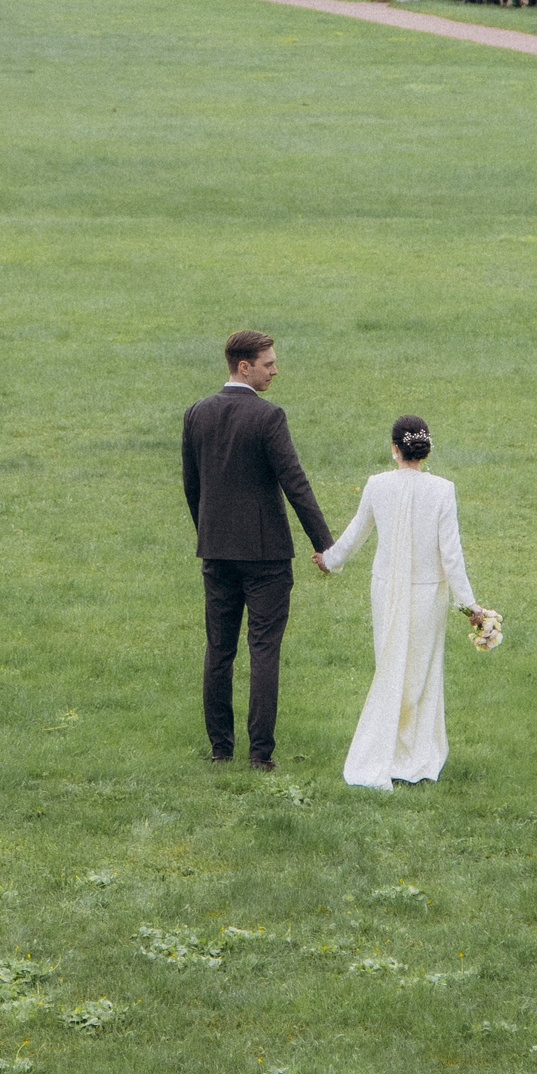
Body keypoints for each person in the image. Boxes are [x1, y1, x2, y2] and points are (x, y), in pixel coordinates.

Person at [180, 329, 332, 770]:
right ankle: (260, 756)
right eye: (268, 363)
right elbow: (295, 484)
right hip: (266, 558)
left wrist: (208, 533)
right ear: (243, 366)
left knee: (219, 650)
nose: (275, 370)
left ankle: (221, 749)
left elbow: (193, 487)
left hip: (216, 553)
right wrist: (326, 545)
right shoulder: (269, 418)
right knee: (264, 650)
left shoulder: (196, 414)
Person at [317, 415, 483, 791]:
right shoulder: (442, 489)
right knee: (421, 673)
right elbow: (451, 554)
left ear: (394, 449)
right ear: (425, 450)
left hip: (389, 590)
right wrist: (469, 604)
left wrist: (330, 560)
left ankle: (396, 752)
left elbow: (355, 533)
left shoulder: (379, 485)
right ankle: (412, 754)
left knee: (391, 665)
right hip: (428, 593)